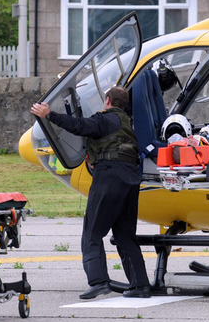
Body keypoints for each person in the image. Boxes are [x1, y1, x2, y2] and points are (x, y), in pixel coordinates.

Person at [31, 86, 151, 299]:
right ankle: (140, 285)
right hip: (131, 179)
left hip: (110, 177)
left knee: (92, 233)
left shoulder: (105, 119)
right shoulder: (127, 123)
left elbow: (78, 126)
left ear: (107, 100)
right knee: (124, 235)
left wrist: (49, 115)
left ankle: (98, 282)